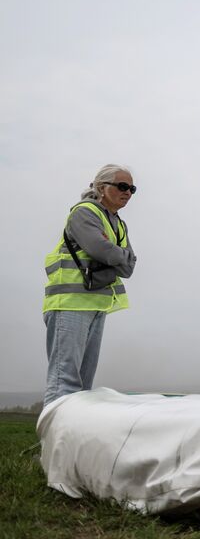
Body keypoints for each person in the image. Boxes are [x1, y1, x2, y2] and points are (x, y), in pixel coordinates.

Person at [42, 165, 139, 406]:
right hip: (70, 304)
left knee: (83, 388)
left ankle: (71, 431)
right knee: (64, 381)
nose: (128, 192)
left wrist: (114, 254)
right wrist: (116, 254)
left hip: (97, 305)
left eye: (132, 188)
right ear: (101, 187)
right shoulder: (84, 213)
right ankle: (53, 431)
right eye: (122, 186)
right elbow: (100, 249)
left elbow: (128, 267)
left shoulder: (118, 224)